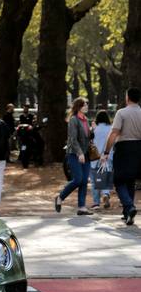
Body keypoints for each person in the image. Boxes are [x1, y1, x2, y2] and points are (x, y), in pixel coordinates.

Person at [100, 87, 141, 225]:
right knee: (130, 180)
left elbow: (114, 133)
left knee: (118, 180)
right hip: (139, 148)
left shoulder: (121, 113)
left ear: (127, 97)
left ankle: (129, 207)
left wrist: (106, 152)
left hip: (124, 148)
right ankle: (127, 214)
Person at [55, 97, 93, 216]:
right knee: (78, 179)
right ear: (79, 107)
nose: (87, 106)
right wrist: (79, 153)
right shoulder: (73, 120)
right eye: (84, 104)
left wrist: (92, 130)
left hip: (86, 154)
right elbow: (72, 139)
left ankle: (82, 207)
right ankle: (60, 197)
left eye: (87, 104)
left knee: (84, 181)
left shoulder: (86, 119)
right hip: (74, 154)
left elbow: (88, 138)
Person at [89, 110, 113, 210]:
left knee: (95, 180)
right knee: (106, 178)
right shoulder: (111, 129)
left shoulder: (94, 129)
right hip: (108, 157)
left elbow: (90, 142)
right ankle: (106, 194)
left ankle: (96, 203)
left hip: (95, 158)